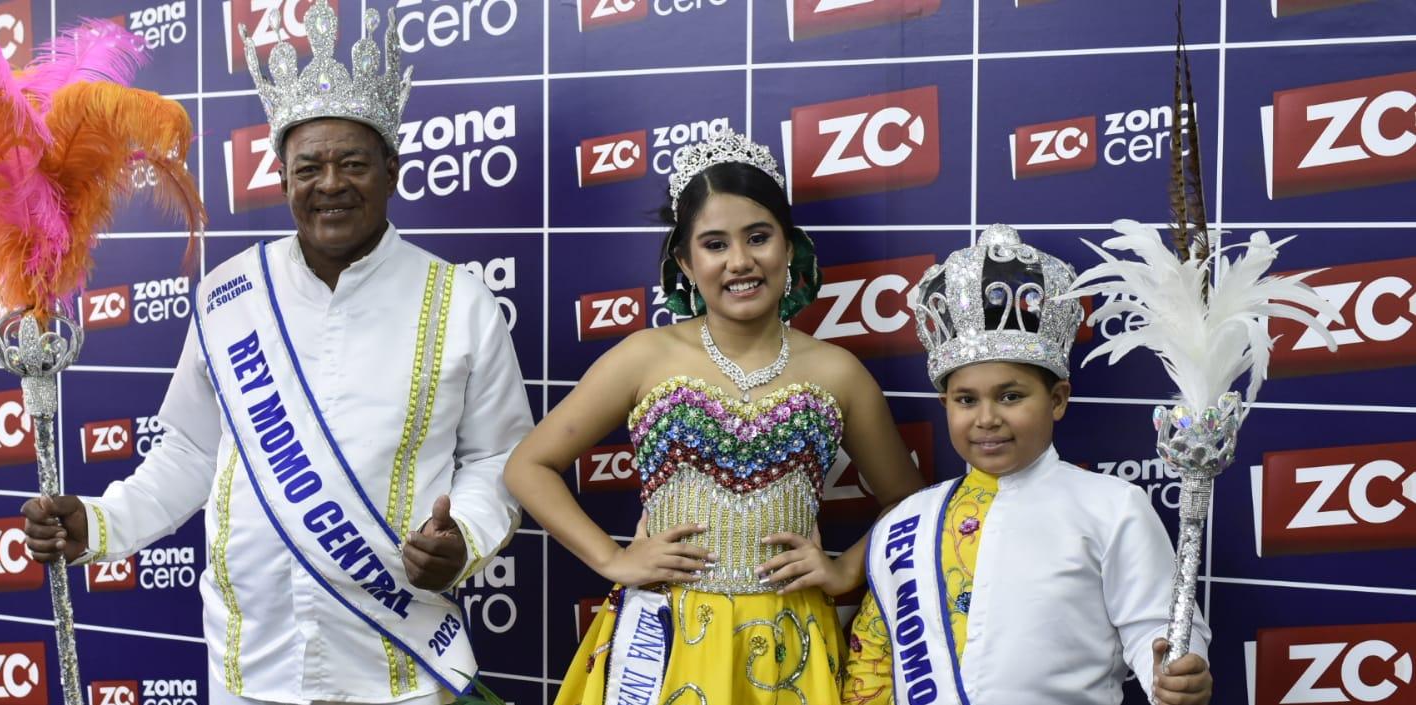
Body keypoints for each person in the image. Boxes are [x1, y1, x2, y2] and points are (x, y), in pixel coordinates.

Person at [21, 4, 532, 704]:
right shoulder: (230, 294)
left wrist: (465, 537)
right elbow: (192, 456)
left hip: (398, 664)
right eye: (308, 166)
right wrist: (101, 522)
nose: (330, 184)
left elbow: (501, 459)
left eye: (353, 163)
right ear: (283, 176)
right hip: (252, 663)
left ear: (392, 170)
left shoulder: (460, 302)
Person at [503, 128, 925, 705]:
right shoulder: (645, 356)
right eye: (715, 244)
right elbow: (529, 465)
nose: (741, 261)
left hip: (790, 644)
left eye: (758, 237)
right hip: (666, 641)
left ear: (790, 245)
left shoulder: (838, 372)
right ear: (684, 259)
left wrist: (845, 571)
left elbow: (909, 503)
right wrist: (613, 558)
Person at [840, 225, 1214, 705]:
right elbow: (873, 656)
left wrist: (1176, 672)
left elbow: (1158, 631)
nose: (988, 418)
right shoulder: (907, 522)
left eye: (1011, 396)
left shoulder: (1111, 506)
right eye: (966, 400)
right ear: (944, 404)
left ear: (1057, 400)